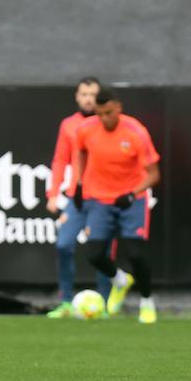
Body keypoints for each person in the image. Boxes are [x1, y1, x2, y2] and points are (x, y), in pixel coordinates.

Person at [74, 89, 160, 324]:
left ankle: (146, 301)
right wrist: (79, 184)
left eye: (109, 113)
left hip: (130, 199)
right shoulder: (86, 129)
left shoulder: (136, 133)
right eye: (99, 114)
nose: (104, 119)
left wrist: (132, 194)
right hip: (99, 199)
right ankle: (119, 280)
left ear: (119, 108)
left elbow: (154, 175)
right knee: (93, 253)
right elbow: (81, 153)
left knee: (135, 254)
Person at [45, 77, 112, 318]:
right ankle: (65, 301)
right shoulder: (69, 125)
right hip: (77, 198)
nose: (88, 99)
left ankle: (104, 303)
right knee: (63, 244)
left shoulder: (107, 123)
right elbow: (60, 159)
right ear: (77, 96)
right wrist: (53, 193)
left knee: (101, 250)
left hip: (103, 197)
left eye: (92, 94)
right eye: (84, 94)